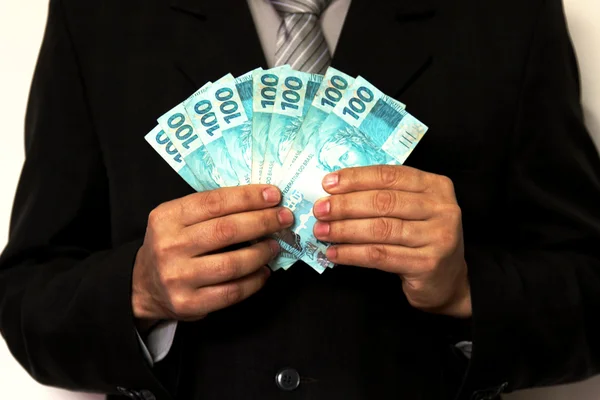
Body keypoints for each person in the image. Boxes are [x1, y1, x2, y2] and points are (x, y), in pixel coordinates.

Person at [1, 0, 600, 399]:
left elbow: (589, 295)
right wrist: (138, 291)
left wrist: (467, 289)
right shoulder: (98, 15)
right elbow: (27, 297)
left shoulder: (512, 15)